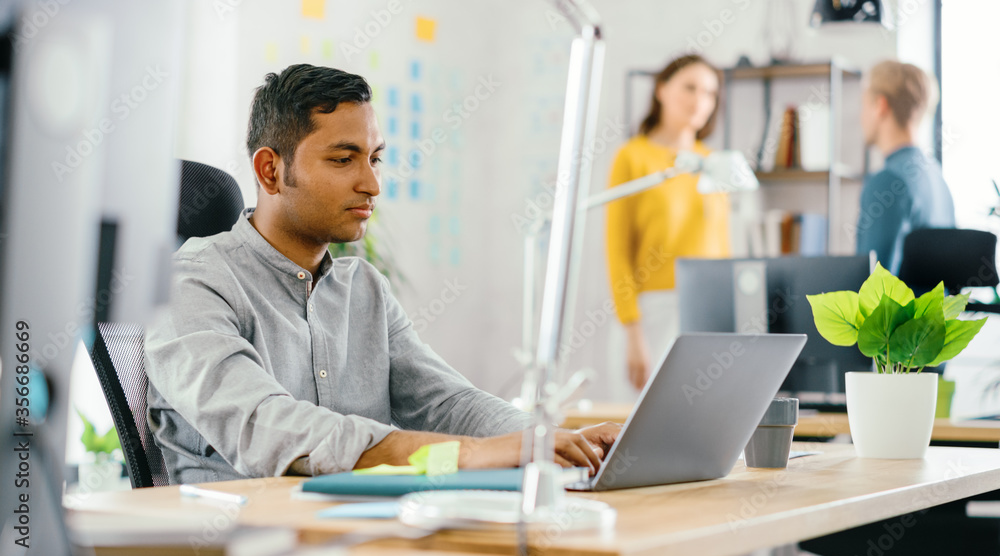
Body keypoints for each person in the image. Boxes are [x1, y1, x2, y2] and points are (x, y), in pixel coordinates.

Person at [145, 64, 620, 484]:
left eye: (374, 158)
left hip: (356, 529)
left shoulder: (364, 287)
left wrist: (552, 440)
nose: (372, 184)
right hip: (241, 540)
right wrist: (470, 455)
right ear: (270, 171)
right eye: (342, 158)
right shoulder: (191, 284)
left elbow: (446, 403)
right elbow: (265, 425)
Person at [606, 55, 729, 392]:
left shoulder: (713, 163)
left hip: (706, 313)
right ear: (661, 90)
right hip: (651, 314)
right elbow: (617, 252)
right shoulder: (633, 157)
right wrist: (633, 332)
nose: (699, 100)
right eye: (689, 87)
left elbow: (722, 248)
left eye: (709, 93)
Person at [856, 60, 955, 273]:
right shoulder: (936, 176)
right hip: (938, 307)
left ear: (880, 105)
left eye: (864, 105)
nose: (860, 117)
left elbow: (871, 287)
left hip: (902, 308)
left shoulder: (887, 181)